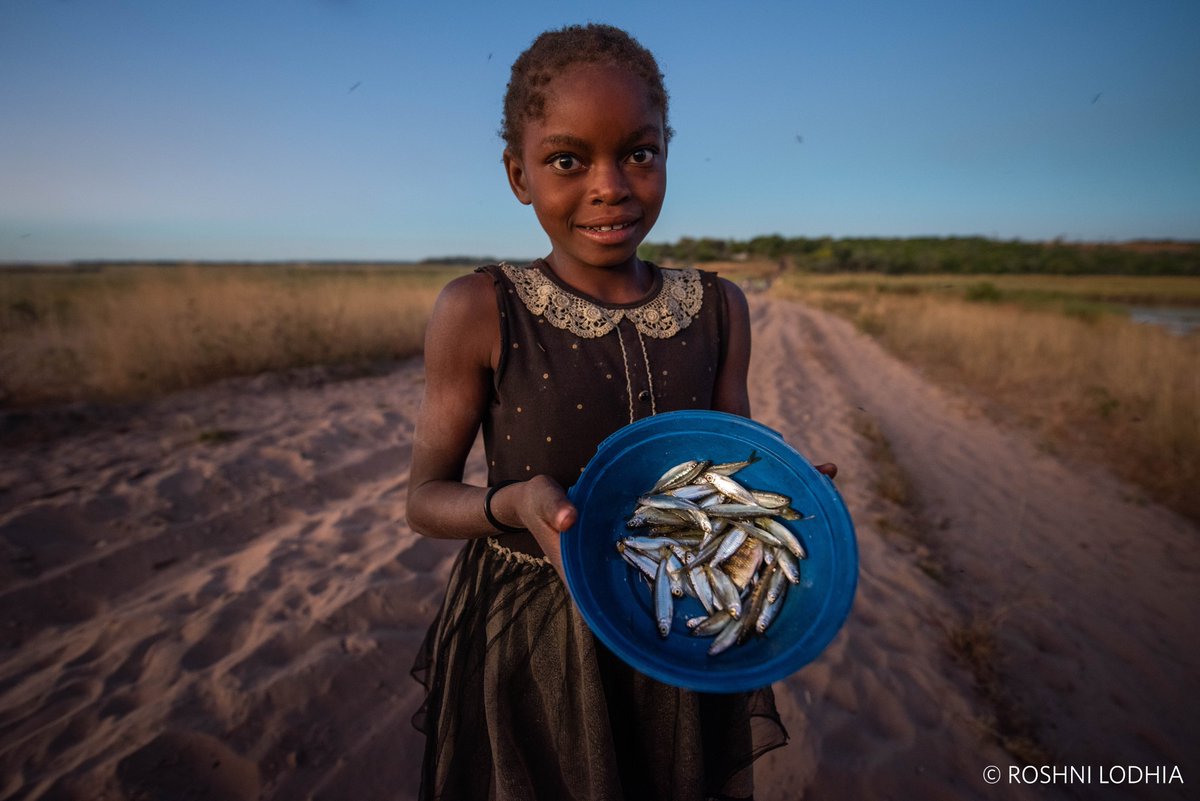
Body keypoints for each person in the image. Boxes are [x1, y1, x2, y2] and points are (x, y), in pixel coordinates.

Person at [407, 23, 834, 801]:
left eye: (639, 152)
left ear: (667, 152)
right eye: (568, 160)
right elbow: (424, 499)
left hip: (684, 619)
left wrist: (787, 482)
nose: (611, 185)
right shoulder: (479, 308)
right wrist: (514, 504)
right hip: (537, 632)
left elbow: (733, 448)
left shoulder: (720, 307)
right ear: (518, 174)